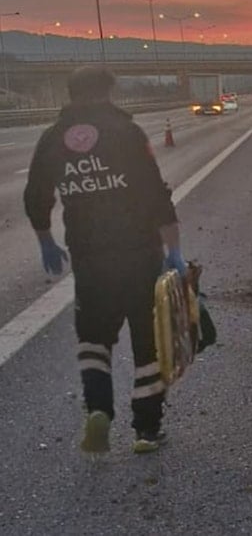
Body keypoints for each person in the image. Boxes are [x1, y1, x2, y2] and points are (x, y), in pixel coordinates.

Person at [23, 66, 185, 455]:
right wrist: (174, 250)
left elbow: (35, 194)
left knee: (93, 339)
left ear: (72, 93)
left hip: (89, 258)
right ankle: (146, 430)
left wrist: (45, 239)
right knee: (149, 345)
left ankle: (98, 410)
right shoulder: (126, 132)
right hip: (139, 254)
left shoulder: (52, 139)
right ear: (108, 91)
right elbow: (154, 193)